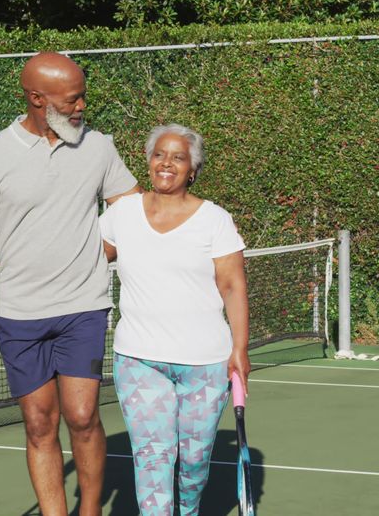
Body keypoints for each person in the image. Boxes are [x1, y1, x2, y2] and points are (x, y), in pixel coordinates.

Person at [0, 51, 139, 516]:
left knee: (82, 417)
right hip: (20, 315)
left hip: (84, 309)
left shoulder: (99, 147)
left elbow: (132, 213)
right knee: (38, 423)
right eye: (72, 100)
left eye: (82, 98)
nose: (81, 108)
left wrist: (100, 253)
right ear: (37, 99)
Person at [99, 123, 251, 515]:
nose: (167, 163)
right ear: (149, 161)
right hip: (138, 360)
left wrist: (240, 349)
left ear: (193, 170)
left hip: (206, 364)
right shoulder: (121, 214)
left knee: (194, 463)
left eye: (178, 157)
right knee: (152, 459)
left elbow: (233, 286)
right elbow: (86, 259)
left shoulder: (215, 219)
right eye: (159, 155)